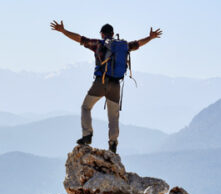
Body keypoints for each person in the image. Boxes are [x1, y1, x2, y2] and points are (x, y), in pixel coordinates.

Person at [50, 20, 162, 153]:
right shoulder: (124, 45)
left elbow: (79, 38)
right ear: (113, 34)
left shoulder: (98, 44)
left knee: (86, 107)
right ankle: (113, 143)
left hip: (101, 82)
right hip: (116, 84)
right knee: (113, 117)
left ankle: (87, 136)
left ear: (102, 34)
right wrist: (150, 37)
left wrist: (63, 31)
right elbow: (138, 43)